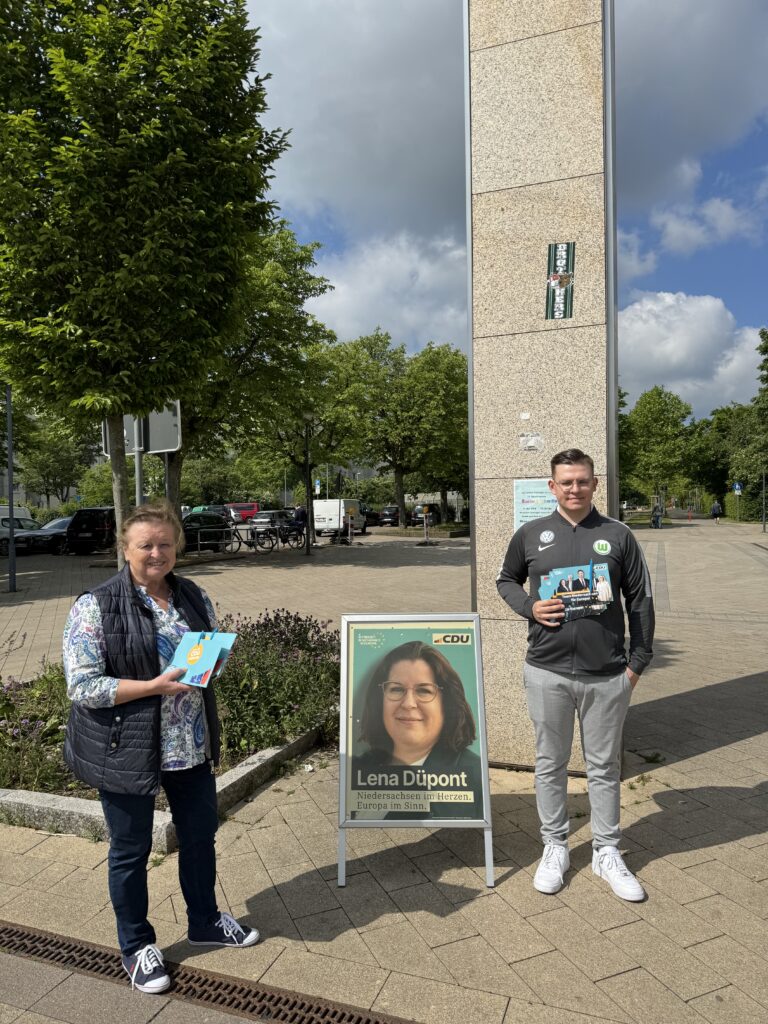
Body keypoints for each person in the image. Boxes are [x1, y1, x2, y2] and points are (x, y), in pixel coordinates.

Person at [63, 502, 258, 996]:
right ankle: (136, 946)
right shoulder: (96, 605)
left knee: (200, 836)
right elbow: (83, 687)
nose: (156, 553)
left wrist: (211, 661)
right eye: (145, 544)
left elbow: (211, 651)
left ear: (178, 547)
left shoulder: (191, 593)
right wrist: (152, 686)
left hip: (189, 744)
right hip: (127, 747)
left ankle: (204, 920)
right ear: (125, 549)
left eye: (165, 544)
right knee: (130, 851)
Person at [496, 449, 654, 902]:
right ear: (552, 486)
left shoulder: (618, 535)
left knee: (604, 767)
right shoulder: (529, 534)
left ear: (594, 484)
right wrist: (528, 606)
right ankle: (555, 846)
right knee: (550, 764)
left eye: (582, 481)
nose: (574, 488)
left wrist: (637, 663)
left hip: (607, 675)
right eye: (565, 482)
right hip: (546, 671)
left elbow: (640, 600)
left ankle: (607, 850)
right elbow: (506, 580)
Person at [353, 640, 482, 819]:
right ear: (379, 701)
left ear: (446, 704)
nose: (408, 704)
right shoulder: (361, 767)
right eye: (396, 689)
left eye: (424, 691)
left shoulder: (474, 776)